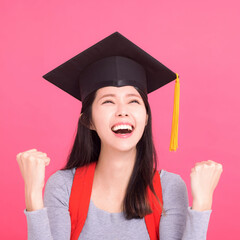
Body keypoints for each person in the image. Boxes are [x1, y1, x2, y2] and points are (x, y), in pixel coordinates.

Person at [17, 32, 223, 240]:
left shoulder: (168, 187)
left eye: (133, 101)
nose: (122, 111)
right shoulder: (63, 187)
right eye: (108, 101)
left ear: (146, 117)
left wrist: (202, 203)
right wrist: (33, 195)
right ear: (88, 121)